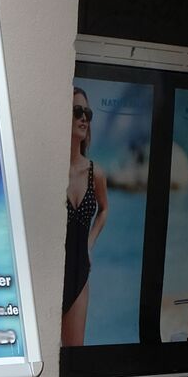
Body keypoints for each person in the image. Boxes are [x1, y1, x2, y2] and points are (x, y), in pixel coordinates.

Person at [62, 86, 108, 346]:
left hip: (79, 270)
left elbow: (104, 209)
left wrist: (90, 243)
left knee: (74, 352)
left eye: (87, 113)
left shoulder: (95, 173)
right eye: (77, 111)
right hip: (51, 271)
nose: (83, 118)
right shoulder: (53, 170)